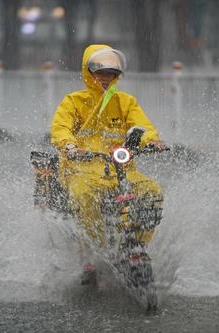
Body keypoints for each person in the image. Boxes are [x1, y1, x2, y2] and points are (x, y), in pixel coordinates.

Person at [50, 44, 167, 282]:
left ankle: (134, 246)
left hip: (121, 170)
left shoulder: (126, 102)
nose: (105, 78)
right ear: (88, 73)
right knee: (84, 195)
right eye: (100, 73)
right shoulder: (73, 101)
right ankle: (94, 251)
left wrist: (152, 141)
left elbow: (142, 127)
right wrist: (71, 147)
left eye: (110, 74)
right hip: (81, 170)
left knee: (153, 192)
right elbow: (61, 128)